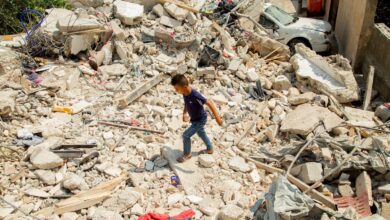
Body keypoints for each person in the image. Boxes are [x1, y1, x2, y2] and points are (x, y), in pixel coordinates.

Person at [171, 74, 223, 163]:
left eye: (177, 89)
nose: (176, 91)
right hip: (195, 119)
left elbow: (209, 102)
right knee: (201, 133)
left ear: (184, 87)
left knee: (186, 135)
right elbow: (186, 103)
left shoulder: (195, 94)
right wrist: (184, 113)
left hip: (200, 119)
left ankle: (187, 154)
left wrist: (217, 118)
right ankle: (210, 149)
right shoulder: (184, 93)